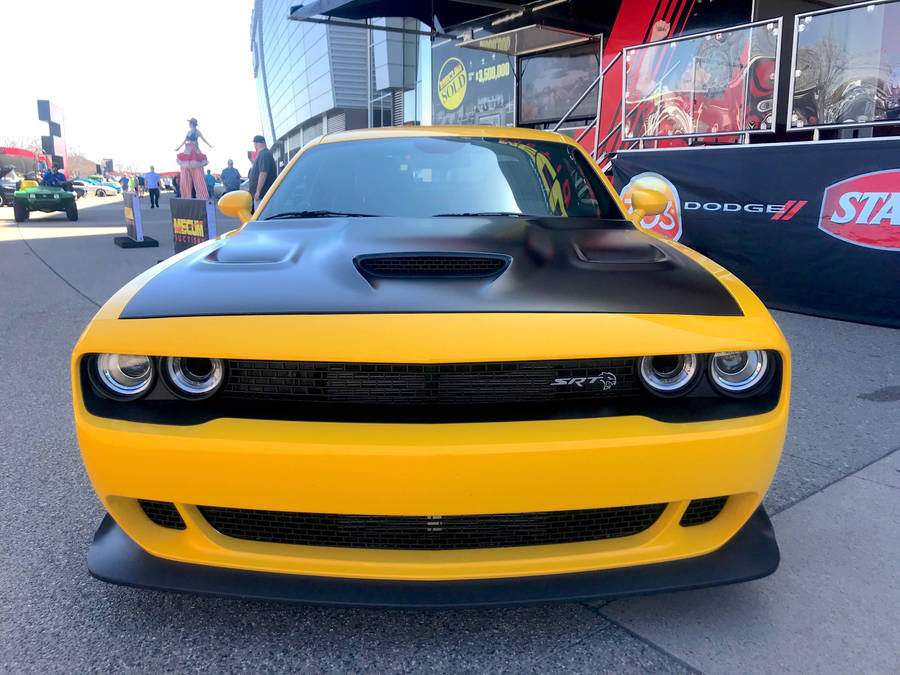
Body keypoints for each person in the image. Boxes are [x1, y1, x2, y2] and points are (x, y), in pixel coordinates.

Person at [174, 117, 213, 199]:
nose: (189, 124)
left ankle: (202, 197)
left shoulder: (197, 132)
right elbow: (184, 141)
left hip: (194, 153)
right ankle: (186, 197)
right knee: (185, 179)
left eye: (190, 123)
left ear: (192, 124)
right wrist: (178, 147)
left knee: (198, 177)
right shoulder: (188, 132)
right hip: (187, 153)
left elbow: (203, 139)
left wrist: (209, 145)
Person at [248, 134, 276, 209]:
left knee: (260, 218)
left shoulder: (264, 154)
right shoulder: (264, 154)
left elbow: (263, 173)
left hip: (262, 195)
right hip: (262, 195)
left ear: (256, 143)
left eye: (255, 144)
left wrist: (258, 191)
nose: (254, 146)